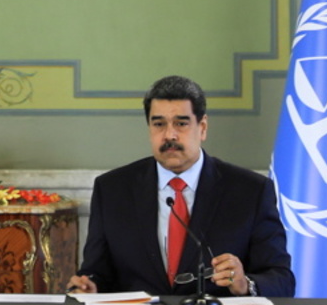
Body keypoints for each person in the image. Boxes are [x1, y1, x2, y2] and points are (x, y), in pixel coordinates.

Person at [67, 75, 295, 297]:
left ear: (202, 127)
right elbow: (96, 273)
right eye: (159, 124)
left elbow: (281, 280)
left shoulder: (250, 191)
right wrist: (89, 287)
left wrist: (245, 284)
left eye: (181, 123)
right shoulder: (112, 190)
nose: (170, 135)